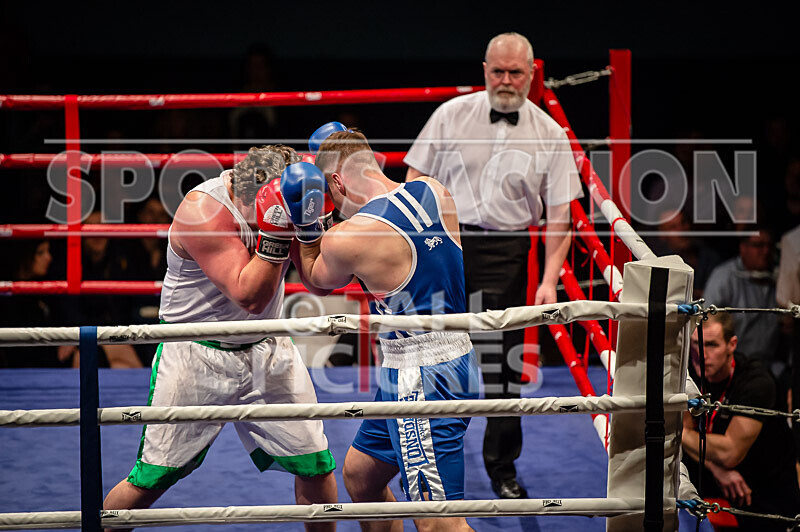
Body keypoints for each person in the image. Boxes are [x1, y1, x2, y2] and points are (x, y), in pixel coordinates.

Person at [102, 145, 338, 532]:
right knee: (150, 480)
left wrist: (315, 227)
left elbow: (320, 283)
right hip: (197, 352)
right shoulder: (203, 211)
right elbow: (250, 296)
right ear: (255, 196)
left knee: (316, 467)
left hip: (266, 348)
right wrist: (277, 230)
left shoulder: (289, 194)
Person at [403, 32, 583, 499]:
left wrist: (549, 281)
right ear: (484, 70)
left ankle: (502, 468)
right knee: (432, 353)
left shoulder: (548, 133)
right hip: (446, 245)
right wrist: (419, 246)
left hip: (508, 251)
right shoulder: (451, 114)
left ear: (531, 75)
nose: (505, 80)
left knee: (503, 364)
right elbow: (414, 178)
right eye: (498, 71)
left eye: (515, 73)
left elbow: (560, 216)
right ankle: (420, 459)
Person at [286, 124, 478, 532]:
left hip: (420, 379)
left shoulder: (348, 237)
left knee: (439, 524)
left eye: (331, 193)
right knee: (361, 476)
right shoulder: (435, 191)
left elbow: (317, 279)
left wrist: (305, 222)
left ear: (337, 182)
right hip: (456, 355)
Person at [681, 312, 800, 530]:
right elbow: (683, 433)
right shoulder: (689, 373)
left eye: (712, 345)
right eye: (696, 344)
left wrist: (681, 434)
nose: (702, 354)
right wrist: (716, 468)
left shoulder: (756, 382)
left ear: (732, 344)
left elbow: (729, 453)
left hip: (764, 490)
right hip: (717, 480)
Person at [703, 226, 783, 374]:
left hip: (770, 365)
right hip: (733, 367)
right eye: (758, 245)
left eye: (769, 246)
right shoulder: (724, 277)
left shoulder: (779, 276)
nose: (766, 251)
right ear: (743, 248)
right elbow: (707, 321)